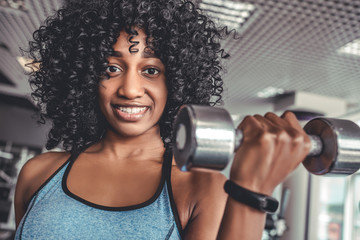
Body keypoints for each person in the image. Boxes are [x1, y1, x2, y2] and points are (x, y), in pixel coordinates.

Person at [14, 0, 311, 239]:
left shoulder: (202, 187)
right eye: (112, 69)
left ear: (178, 81)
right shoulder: (38, 174)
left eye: (151, 70)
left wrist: (252, 190)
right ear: (87, 77)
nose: (130, 89)